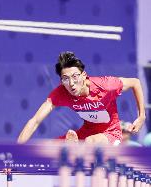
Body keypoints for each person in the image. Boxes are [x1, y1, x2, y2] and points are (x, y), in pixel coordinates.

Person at [18, 51, 146, 145]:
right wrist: (15, 152)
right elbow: (34, 121)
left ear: (84, 75)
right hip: (86, 133)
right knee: (51, 147)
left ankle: (77, 150)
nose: (71, 83)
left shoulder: (106, 85)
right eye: (65, 79)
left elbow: (135, 82)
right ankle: (75, 150)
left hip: (110, 133)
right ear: (61, 81)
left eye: (75, 76)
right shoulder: (61, 92)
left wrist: (141, 116)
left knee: (91, 142)